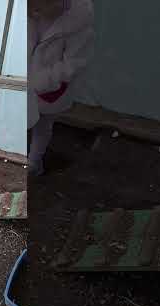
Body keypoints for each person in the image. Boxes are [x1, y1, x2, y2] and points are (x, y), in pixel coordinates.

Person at [28, 0, 94, 175]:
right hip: (27, 81)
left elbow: (74, 63)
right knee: (26, 118)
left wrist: (44, 81)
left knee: (43, 124)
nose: (34, 13)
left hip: (51, 85)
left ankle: (34, 162)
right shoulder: (31, 13)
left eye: (38, 8)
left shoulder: (78, 20)